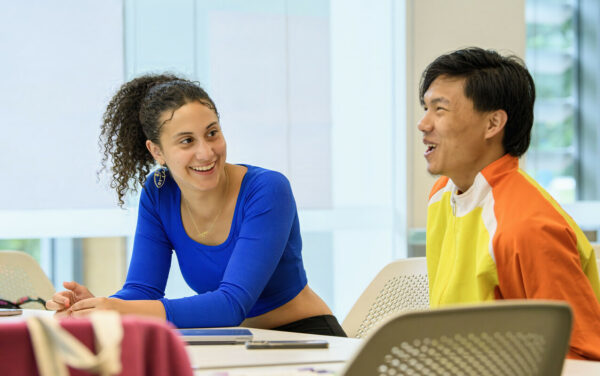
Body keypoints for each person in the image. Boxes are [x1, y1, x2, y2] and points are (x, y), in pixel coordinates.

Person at [46, 74, 346, 336]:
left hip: (306, 338)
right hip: (235, 344)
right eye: (187, 141)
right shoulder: (159, 193)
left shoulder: (266, 189)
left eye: (212, 133)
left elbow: (231, 305)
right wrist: (95, 306)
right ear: (157, 151)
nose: (206, 152)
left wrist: (119, 310)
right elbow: (143, 289)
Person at [418, 47, 600, 359]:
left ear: (493, 124)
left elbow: (582, 355)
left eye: (440, 110)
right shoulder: (442, 194)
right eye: (425, 108)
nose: (423, 124)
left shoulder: (528, 226)